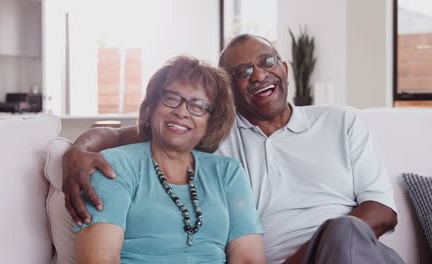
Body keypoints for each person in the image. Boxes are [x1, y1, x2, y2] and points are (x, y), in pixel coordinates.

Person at [64, 34, 403, 264]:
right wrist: (78, 151)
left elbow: (384, 212)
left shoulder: (340, 122)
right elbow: (140, 134)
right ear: (230, 93)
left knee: (343, 232)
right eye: (242, 72)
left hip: (357, 252)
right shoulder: (217, 139)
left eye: (267, 61)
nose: (257, 74)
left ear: (284, 70)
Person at [74, 56, 266, 264]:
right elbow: (99, 259)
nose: (182, 111)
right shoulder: (113, 165)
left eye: (198, 105)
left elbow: (248, 259)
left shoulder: (228, 172)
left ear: (211, 122)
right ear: (151, 107)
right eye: (172, 98)